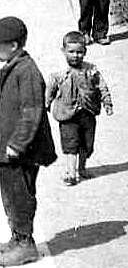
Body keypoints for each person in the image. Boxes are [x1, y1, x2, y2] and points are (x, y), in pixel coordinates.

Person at [0, 16, 56, 267]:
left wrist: (17, 144)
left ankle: (25, 245)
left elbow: (32, 112)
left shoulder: (27, 71)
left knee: (20, 196)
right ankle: (17, 237)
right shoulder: (13, 66)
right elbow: (11, 103)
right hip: (11, 148)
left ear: (13, 45)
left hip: (21, 151)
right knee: (11, 194)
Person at [46, 31, 114, 185]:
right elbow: (50, 89)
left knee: (86, 143)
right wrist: (47, 104)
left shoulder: (91, 70)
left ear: (85, 52)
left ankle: (82, 168)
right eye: (71, 52)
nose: (75, 55)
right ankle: (70, 172)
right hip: (67, 114)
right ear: (63, 51)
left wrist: (107, 102)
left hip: (88, 113)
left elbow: (101, 86)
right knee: (71, 144)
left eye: (79, 52)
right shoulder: (59, 73)